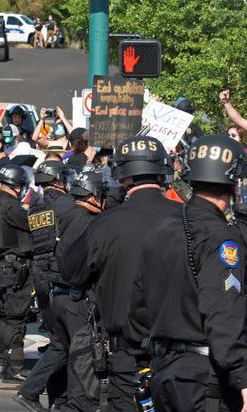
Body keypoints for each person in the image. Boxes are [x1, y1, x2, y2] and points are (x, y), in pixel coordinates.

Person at [134, 135, 247, 411]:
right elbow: (223, 311)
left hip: (164, 370)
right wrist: (245, 376)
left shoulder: (161, 229)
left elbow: (138, 305)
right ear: (234, 181)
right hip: (204, 378)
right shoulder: (222, 238)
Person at [60, 136, 180, 411]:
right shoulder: (187, 218)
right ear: (162, 172)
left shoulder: (105, 222)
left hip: (127, 354)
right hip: (179, 355)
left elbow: (73, 274)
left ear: (122, 177)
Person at [14, 161, 75, 409]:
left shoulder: (36, 206)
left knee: (59, 340)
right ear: (59, 179)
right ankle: (30, 392)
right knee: (63, 343)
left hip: (40, 275)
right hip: (57, 276)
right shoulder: (65, 204)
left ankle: (58, 400)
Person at [0, 163, 33, 383]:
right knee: (15, 318)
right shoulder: (13, 207)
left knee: (4, 316)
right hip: (15, 267)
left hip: (2, 266)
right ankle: (14, 366)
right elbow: (34, 225)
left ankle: (2, 364)